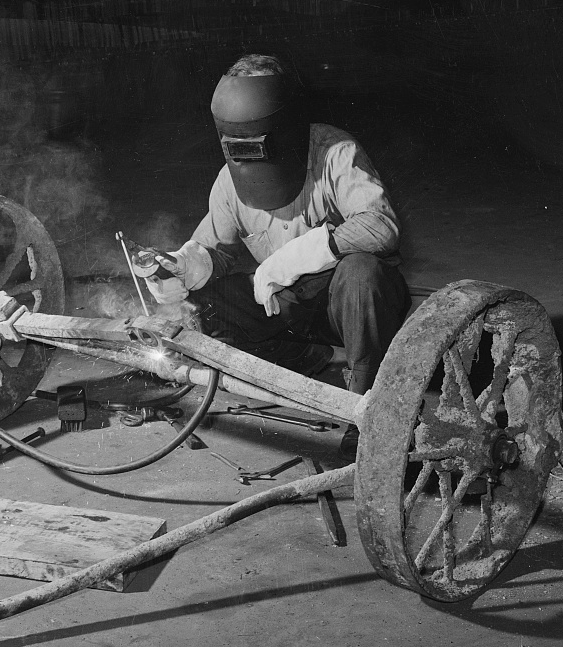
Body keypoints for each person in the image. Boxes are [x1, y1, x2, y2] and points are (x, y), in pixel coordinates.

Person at [144, 53, 411, 462]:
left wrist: (307, 252)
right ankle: (294, 360)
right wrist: (185, 267)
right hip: (286, 312)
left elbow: (382, 228)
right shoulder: (229, 179)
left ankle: (369, 411)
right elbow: (217, 250)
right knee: (208, 298)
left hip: (353, 308)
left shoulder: (335, 152)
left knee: (363, 272)